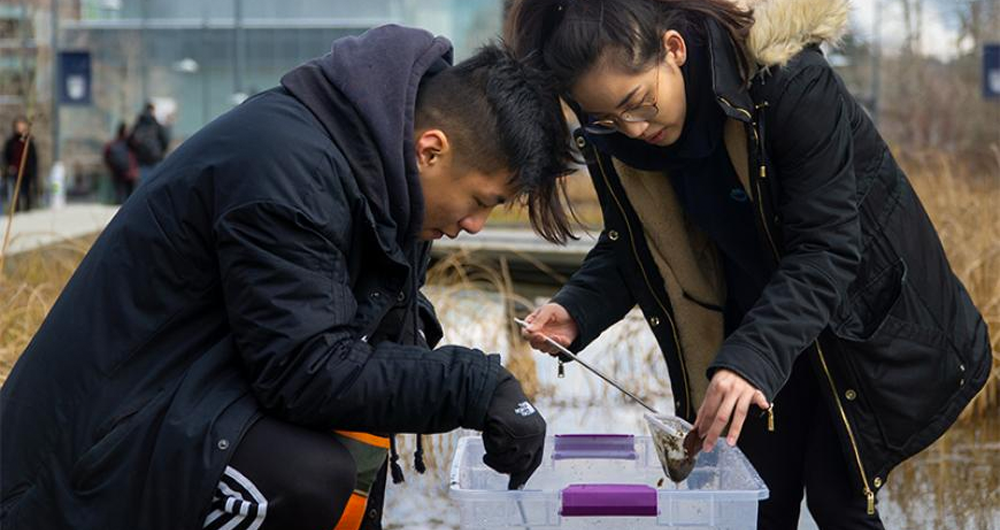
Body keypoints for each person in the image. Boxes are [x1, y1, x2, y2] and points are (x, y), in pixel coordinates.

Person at [0, 25, 577, 530]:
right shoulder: (285, 168)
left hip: (178, 407)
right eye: (480, 200)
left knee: (342, 454)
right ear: (431, 149)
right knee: (304, 476)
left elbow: (357, 353)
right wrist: (475, 387)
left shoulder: (381, 184)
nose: (475, 225)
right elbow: (307, 370)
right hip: (75, 468)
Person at [507, 0, 992, 528]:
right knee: (754, 503)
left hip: (857, 320)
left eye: (639, 103)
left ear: (674, 49)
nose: (633, 128)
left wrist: (751, 359)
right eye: (607, 117)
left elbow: (826, 247)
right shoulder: (616, 137)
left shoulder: (789, 81)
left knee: (839, 501)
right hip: (755, 321)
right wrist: (577, 308)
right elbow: (644, 241)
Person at [128, 102, 170, 184]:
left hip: (142, 161)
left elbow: (130, 141)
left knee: (144, 185)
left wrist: (137, 153)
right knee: (156, 183)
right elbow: (165, 140)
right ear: (152, 110)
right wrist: (161, 152)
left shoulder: (138, 124)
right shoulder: (156, 124)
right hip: (156, 159)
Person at [2, 116, 38, 212]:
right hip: (14, 172)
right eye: (18, 126)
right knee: (14, 193)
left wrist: (33, 172)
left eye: (22, 126)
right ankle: (15, 211)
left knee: (26, 193)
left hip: (27, 172)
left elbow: (33, 159)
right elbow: (5, 157)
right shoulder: (10, 142)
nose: (20, 128)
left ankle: (28, 210)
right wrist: (8, 168)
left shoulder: (29, 142)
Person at [103, 121, 138, 203]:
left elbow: (106, 157)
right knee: (128, 198)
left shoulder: (113, 144)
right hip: (127, 173)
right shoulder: (130, 144)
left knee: (122, 197)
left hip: (120, 173)